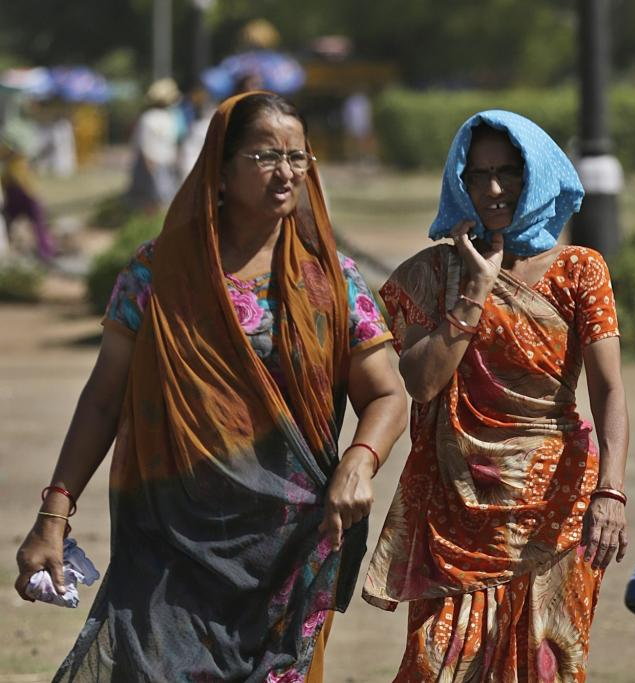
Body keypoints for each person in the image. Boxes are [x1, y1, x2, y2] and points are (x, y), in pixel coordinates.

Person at [14, 91, 407, 681]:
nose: (287, 173)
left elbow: (387, 393)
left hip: (288, 546)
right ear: (220, 168)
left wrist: (360, 458)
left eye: (298, 158)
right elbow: (103, 399)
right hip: (169, 541)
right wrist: (54, 513)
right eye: (266, 156)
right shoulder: (157, 274)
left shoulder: (331, 281)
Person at [362, 110, 630, 682]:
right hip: (455, 510)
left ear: (538, 174)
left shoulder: (579, 270)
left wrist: (612, 491)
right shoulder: (432, 276)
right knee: (438, 665)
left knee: (543, 669)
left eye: (508, 172)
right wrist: (475, 289)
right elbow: (422, 382)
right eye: (477, 174)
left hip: (555, 512)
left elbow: (608, 390)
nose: (492, 189)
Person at [126, 78, 183, 212]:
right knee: (153, 197)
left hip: (164, 162)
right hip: (155, 163)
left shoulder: (166, 117)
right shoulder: (150, 118)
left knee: (163, 196)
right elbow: (145, 144)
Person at [1, 133, 57, 262]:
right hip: (16, 201)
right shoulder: (11, 166)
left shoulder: (19, 163)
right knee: (8, 223)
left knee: (39, 227)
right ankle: (10, 249)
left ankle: (46, 253)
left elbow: (23, 183)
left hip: (28, 199)